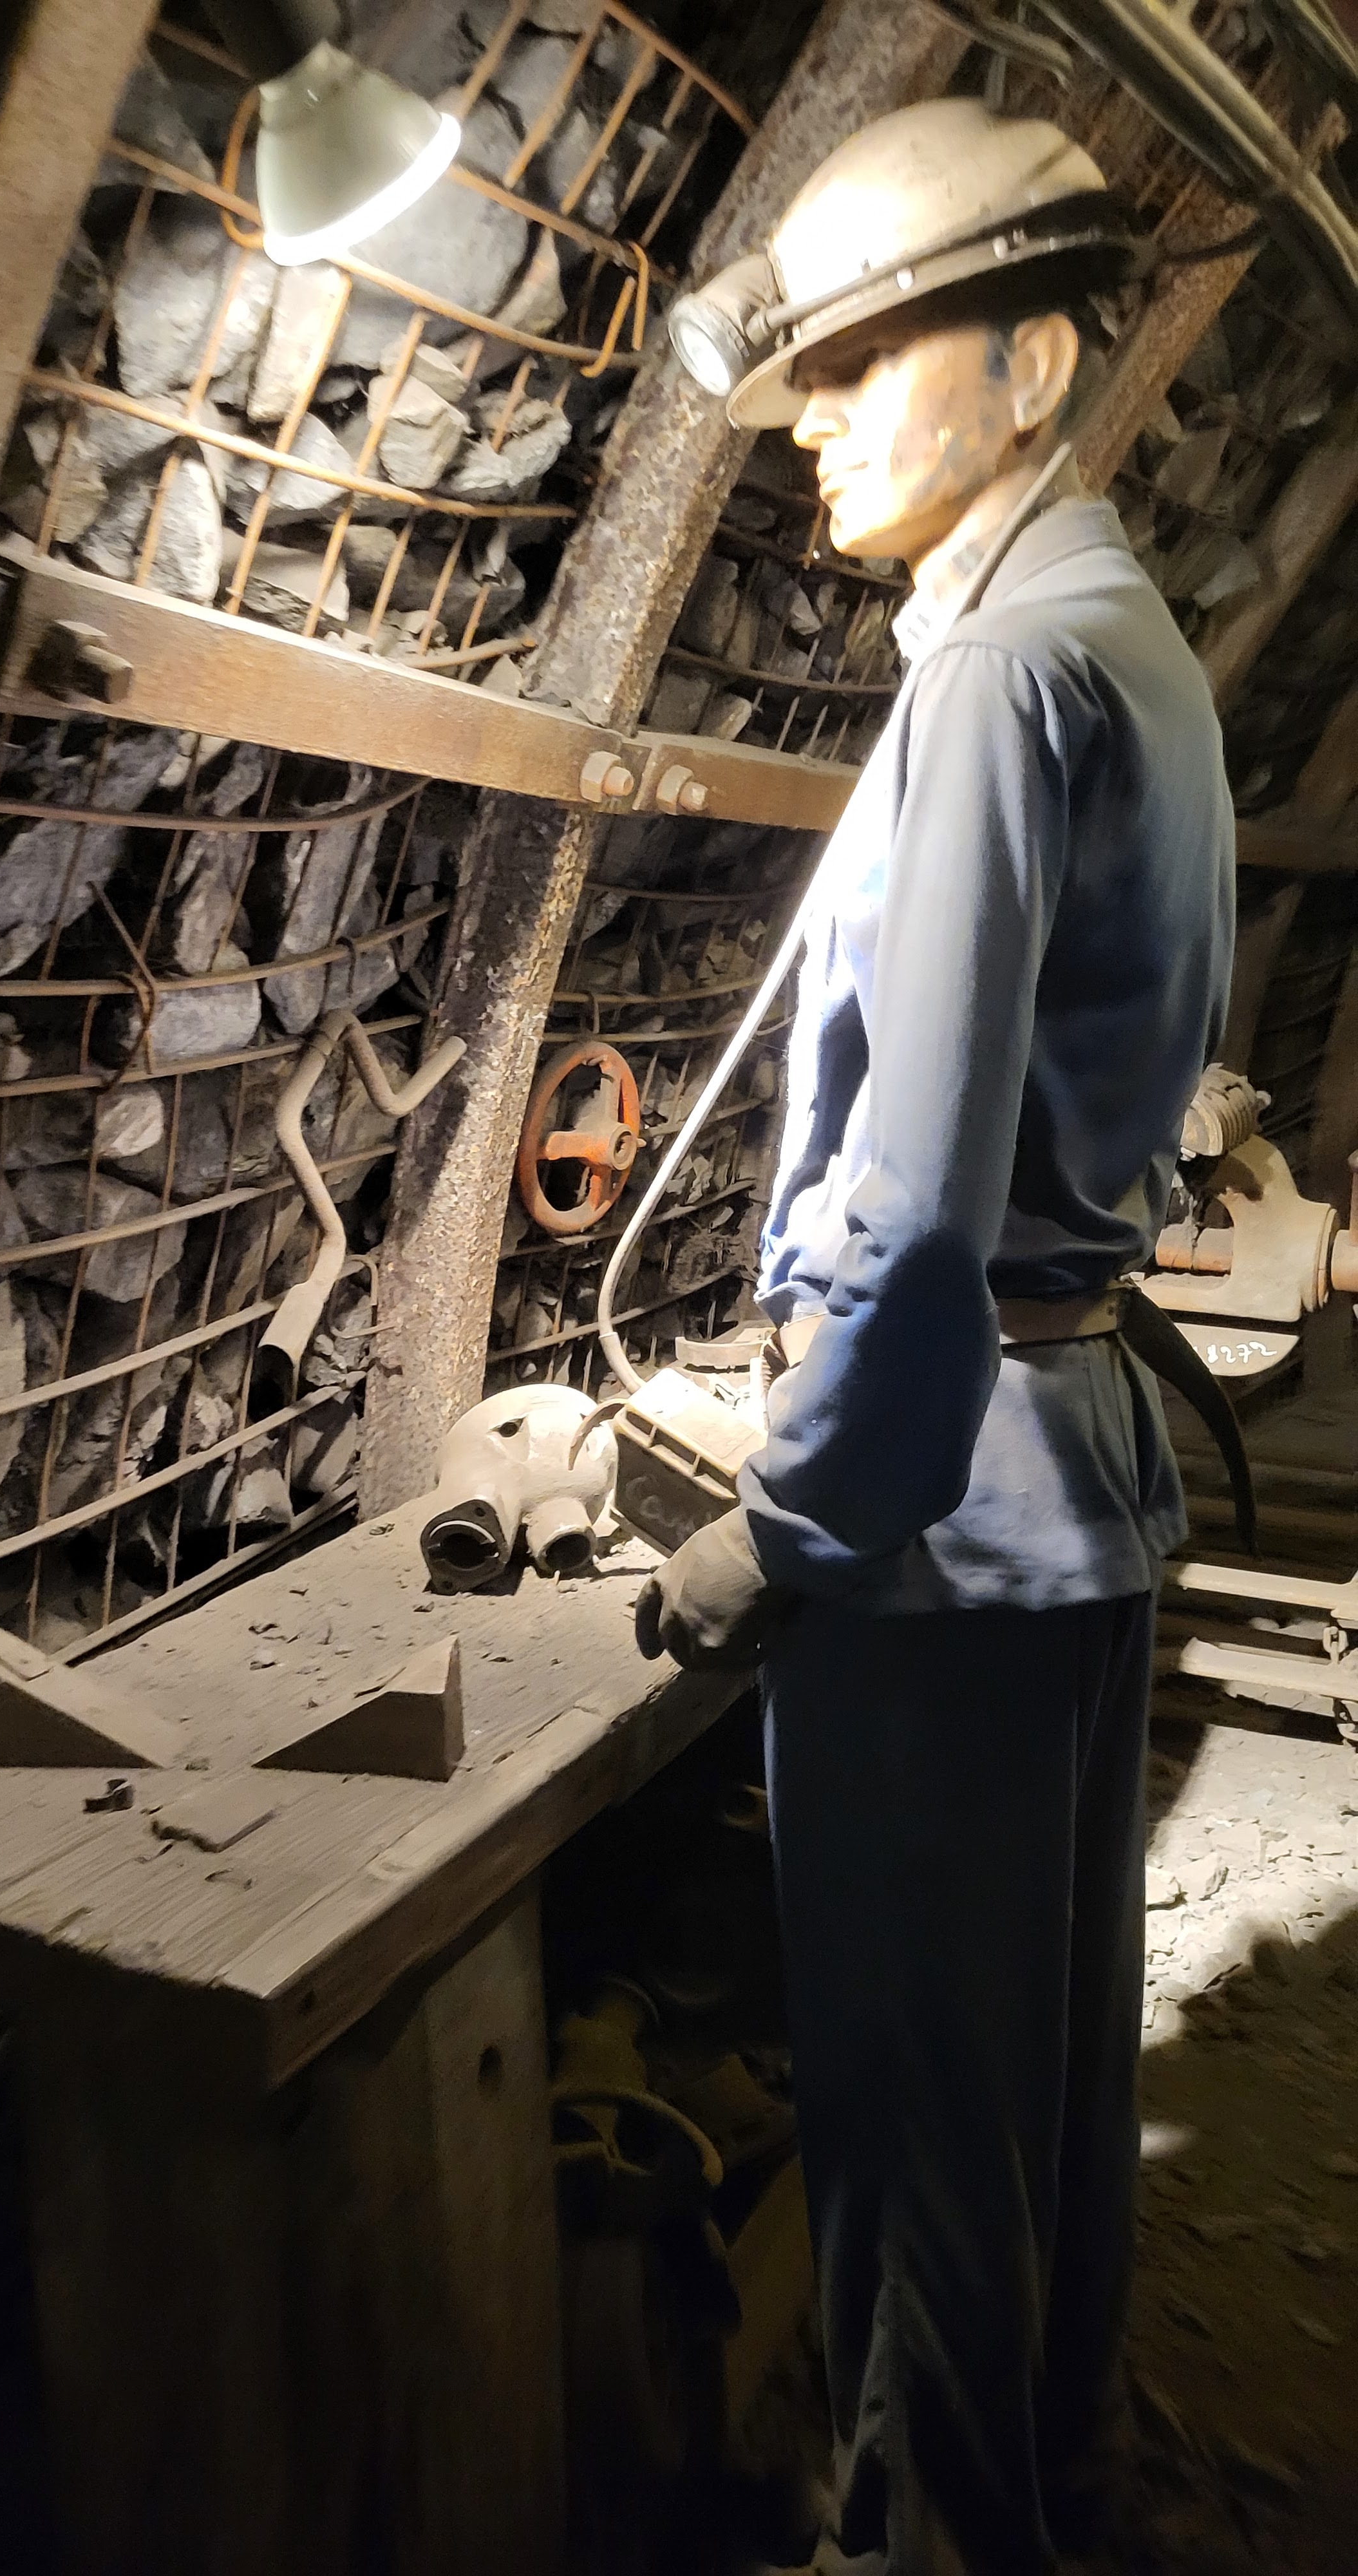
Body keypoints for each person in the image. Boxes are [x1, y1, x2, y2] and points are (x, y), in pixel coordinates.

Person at [636, 100, 1236, 2575]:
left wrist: (773, 1531)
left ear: (1036, 364)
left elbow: (910, 1206)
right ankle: (1053, 2470)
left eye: (865, 360)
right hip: (1075, 1469)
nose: (814, 422)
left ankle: (933, 2543)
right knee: (1047, 2061)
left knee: (911, 2099)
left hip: (945, 1504)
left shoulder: (997, 671)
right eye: (805, 375)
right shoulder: (1127, 636)